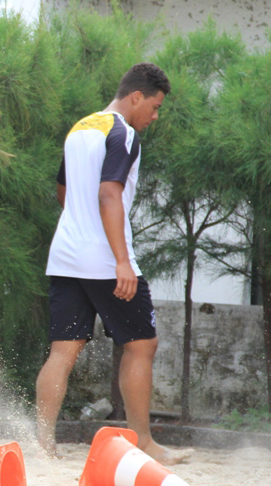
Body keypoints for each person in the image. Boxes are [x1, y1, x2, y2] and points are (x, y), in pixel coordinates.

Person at [35, 63, 181, 465]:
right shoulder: (123, 132)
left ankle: (44, 445)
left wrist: (82, 229)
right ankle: (143, 441)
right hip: (104, 259)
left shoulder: (81, 127)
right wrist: (121, 260)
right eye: (154, 106)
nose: (154, 116)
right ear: (137, 96)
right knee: (142, 344)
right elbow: (108, 195)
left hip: (64, 256)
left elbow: (64, 193)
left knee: (62, 351)